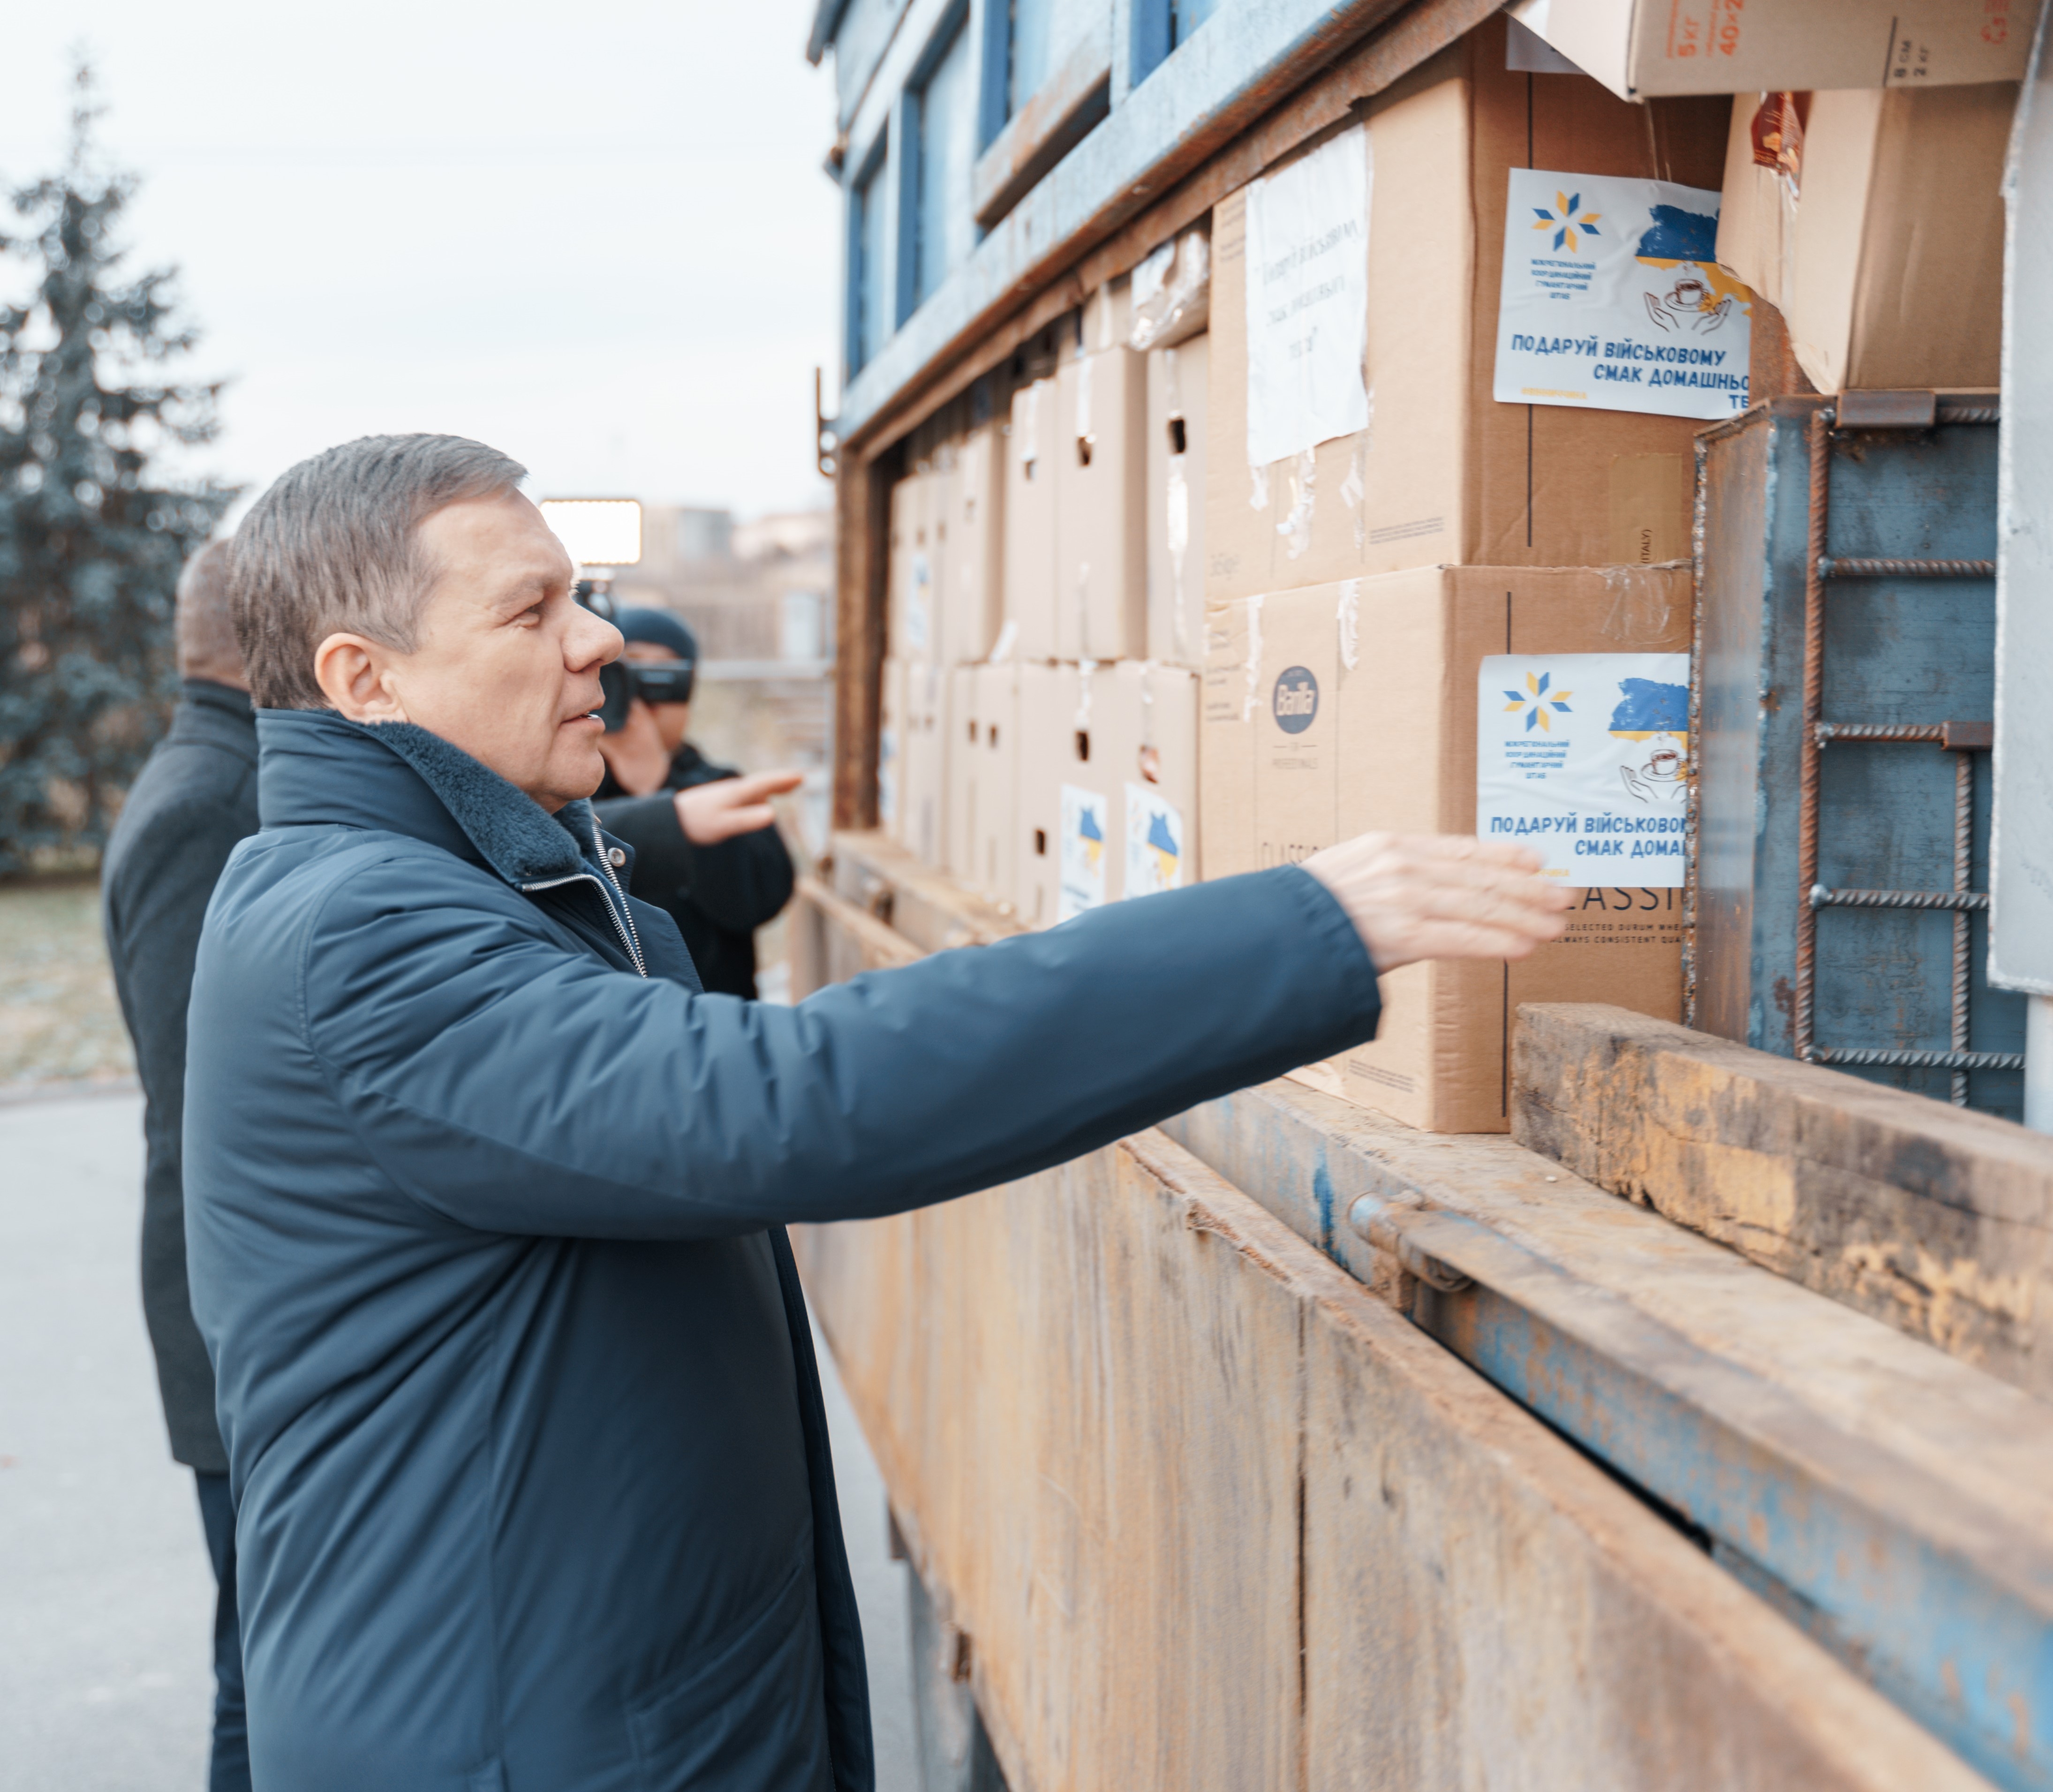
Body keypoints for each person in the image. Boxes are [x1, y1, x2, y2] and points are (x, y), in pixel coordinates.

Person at [186, 435, 1570, 1792]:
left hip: (578, 1697)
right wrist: (1294, 929)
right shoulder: (361, 936)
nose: (598, 639)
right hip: (512, 1734)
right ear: (363, 677)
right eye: (530, 609)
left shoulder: (450, 881)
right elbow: (790, 1104)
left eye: (580, 595)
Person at [100, 537, 256, 1792]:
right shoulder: (209, 800)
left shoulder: (226, 772)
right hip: (235, 1323)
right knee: (261, 1680)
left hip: (237, 1312)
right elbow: (208, 1096)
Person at [593, 607, 798, 997]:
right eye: (629, 673)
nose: (646, 700)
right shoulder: (565, 793)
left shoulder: (721, 786)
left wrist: (657, 782)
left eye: (666, 678)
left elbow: (760, 900)